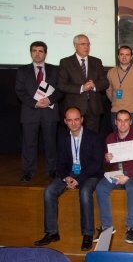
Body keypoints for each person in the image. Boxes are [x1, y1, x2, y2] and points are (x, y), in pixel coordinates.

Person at [33, 106, 104, 251]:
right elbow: (60, 164)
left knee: (84, 192)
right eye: (70, 120)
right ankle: (52, 232)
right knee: (49, 191)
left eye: (76, 119)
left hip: (89, 174)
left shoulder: (94, 137)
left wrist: (79, 179)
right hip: (70, 175)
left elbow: (96, 164)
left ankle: (88, 234)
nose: (74, 123)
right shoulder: (63, 139)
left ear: (82, 120)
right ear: (65, 121)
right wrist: (66, 177)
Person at [95, 110, 133, 244]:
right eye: (119, 120)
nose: (122, 124)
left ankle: (131, 227)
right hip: (117, 172)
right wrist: (107, 158)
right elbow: (109, 161)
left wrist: (128, 176)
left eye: (125, 120)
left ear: (130, 122)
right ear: (115, 122)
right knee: (101, 187)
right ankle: (107, 226)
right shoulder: (110, 138)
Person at [15, 41, 62, 182]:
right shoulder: (22, 71)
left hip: (50, 112)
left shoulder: (55, 70)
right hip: (30, 112)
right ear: (30, 53)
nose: (37, 53)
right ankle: (28, 171)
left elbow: (61, 90)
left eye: (40, 51)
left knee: (50, 143)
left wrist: (49, 100)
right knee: (29, 144)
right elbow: (20, 91)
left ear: (45, 54)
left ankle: (52, 170)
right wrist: (35, 103)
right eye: (34, 50)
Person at [58, 34, 109, 133]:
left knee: (92, 139)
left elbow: (105, 83)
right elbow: (62, 85)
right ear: (75, 45)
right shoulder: (66, 62)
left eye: (88, 44)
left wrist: (94, 86)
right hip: (74, 108)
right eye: (83, 44)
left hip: (93, 108)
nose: (86, 47)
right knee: (74, 138)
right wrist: (82, 88)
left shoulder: (96, 62)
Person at [106, 46, 133, 132]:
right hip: (116, 111)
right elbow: (109, 90)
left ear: (131, 57)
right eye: (122, 54)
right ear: (118, 56)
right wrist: (116, 102)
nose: (124, 57)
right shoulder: (111, 72)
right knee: (117, 140)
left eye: (127, 55)